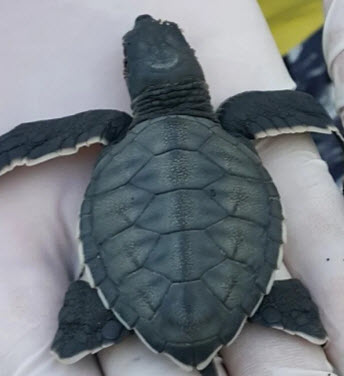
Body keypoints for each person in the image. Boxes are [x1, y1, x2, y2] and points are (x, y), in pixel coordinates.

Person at [0, 1, 343, 375]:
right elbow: (302, 109)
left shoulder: (112, 128)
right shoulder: (238, 117)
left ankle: (93, 323)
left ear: (129, 74)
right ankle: (278, 308)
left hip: (298, 37)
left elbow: (32, 140)